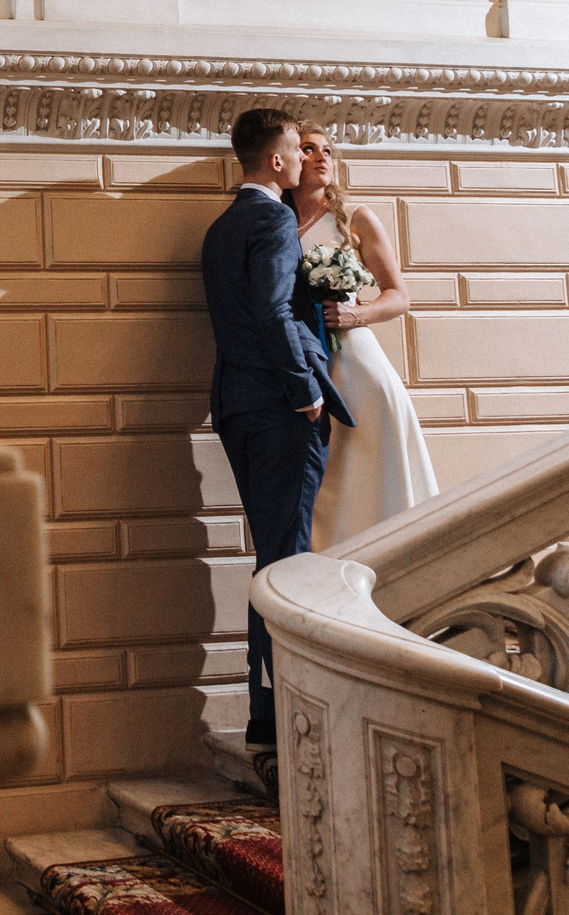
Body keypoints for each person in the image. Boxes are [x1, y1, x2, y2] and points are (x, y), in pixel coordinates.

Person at [200, 108, 354, 769]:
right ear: (275, 161)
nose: (298, 159)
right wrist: (305, 390)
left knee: (274, 557)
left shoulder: (220, 227)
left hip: (238, 404)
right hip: (277, 406)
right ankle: (282, 717)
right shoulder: (270, 221)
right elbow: (269, 311)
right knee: (287, 562)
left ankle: (268, 714)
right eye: (294, 148)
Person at [289, 128, 439, 547]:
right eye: (308, 149)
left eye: (328, 151)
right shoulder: (277, 222)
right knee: (328, 475)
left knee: (374, 461)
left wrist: (356, 314)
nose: (321, 157)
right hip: (307, 365)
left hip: (357, 363)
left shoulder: (354, 217)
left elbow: (399, 296)